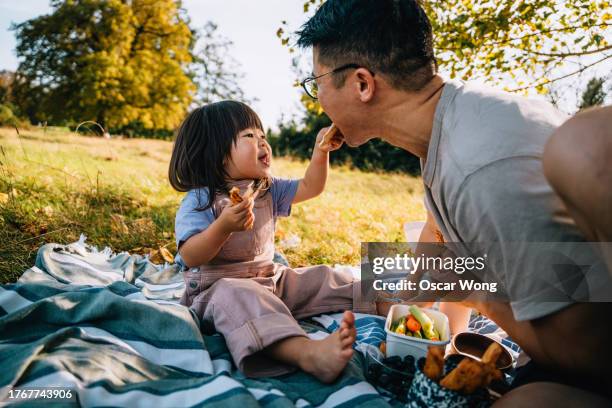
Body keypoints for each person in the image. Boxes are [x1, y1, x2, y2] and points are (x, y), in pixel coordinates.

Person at [296, 0, 611, 403]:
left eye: (316, 81)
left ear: (362, 84)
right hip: (565, 300)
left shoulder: (479, 168)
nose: (317, 96)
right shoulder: (452, 123)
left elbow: (593, 352)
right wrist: (412, 308)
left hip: (586, 346)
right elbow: (438, 234)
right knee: (378, 269)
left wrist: (478, 294)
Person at [168, 100, 381, 383]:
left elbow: (310, 187)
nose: (263, 143)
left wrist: (320, 153)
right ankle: (306, 353)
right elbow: (191, 256)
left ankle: (387, 299)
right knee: (240, 295)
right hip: (217, 291)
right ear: (217, 153)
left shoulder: (267, 188)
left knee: (323, 276)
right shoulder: (202, 198)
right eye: (250, 136)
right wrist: (222, 227)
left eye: (263, 136)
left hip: (272, 280)